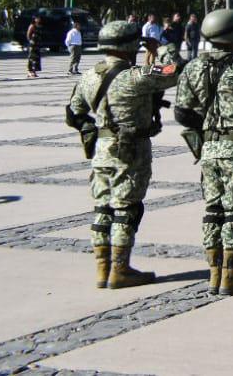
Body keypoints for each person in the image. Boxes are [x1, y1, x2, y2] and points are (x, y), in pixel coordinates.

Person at [64, 21, 180, 288]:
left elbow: (74, 112)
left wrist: (90, 130)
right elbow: (174, 71)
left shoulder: (90, 75)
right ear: (131, 46)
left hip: (102, 149)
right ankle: (120, 268)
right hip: (131, 149)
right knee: (127, 208)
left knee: (103, 207)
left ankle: (102, 268)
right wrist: (162, 48)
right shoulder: (135, 75)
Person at [173, 8, 233, 295]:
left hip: (209, 147)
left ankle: (215, 272)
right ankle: (232, 274)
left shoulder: (193, 66)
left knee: (213, 210)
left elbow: (182, 112)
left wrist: (208, 127)